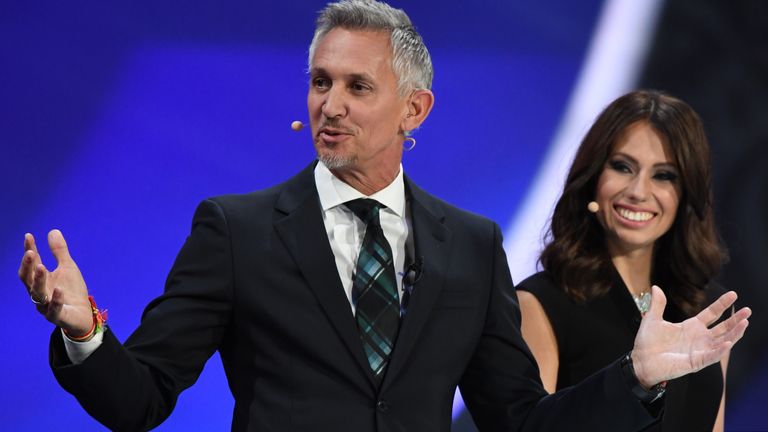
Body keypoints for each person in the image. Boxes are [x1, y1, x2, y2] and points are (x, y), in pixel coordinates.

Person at [18, 2, 749, 431]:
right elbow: (141, 398)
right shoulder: (235, 230)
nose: (331, 105)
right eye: (320, 82)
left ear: (414, 110)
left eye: (358, 86)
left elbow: (520, 422)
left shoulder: (469, 245)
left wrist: (637, 377)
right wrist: (85, 335)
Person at [517, 90, 735, 431]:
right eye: (622, 167)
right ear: (592, 179)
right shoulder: (539, 304)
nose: (638, 191)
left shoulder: (706, 308)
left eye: (664, 175)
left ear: (686, 192)